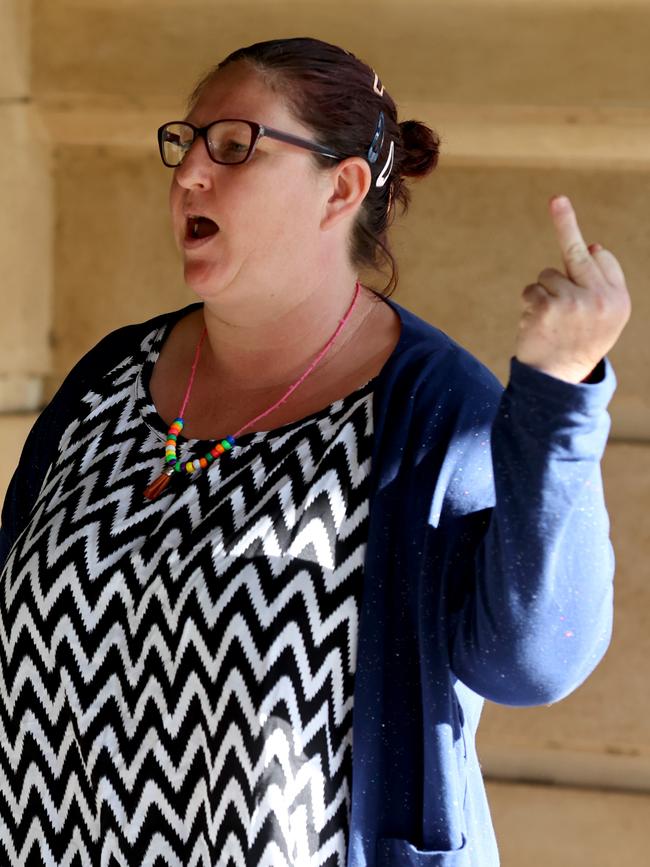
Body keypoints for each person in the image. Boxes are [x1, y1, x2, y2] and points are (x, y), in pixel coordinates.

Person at [0, 36, 630, 867]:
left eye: (233, 145)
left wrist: (560, 393)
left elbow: (533, 661)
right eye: (184, 143)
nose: (190, 171)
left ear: (342, 186)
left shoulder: (435, 413)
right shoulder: (106, 379)